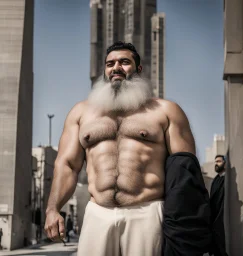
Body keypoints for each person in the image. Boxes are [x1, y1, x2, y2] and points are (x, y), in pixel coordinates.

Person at [44, 41, 211, 256]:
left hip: (147, 212)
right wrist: (52, 209)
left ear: (139, 69)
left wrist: (186, 231)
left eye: (124, 62)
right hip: (98, 214)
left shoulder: (166, 111)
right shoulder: (81, 113)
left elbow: (184, 174)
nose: (116, 68)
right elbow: (67, 165)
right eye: (110, 63)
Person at [209, 155, 228, 256]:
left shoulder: (227, 178)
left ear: (225, 163)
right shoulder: (215, 180)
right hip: (214, 215)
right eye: (215, 161)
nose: (216, 163)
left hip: (222, 215)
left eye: (219, 161)